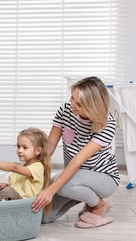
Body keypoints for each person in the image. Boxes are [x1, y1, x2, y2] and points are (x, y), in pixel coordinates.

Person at [31, 76, 120, 228]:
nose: (72, 105)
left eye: (79, 104)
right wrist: (30, 171)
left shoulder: (107, 124)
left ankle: (99, 205)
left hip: (104, 177)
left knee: (60, 184)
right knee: (43, 217)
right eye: (72, 98)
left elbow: (78, 160)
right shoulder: (65, 110)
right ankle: (80, 195)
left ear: (93, 106)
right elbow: (50, 146)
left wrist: (51, 190)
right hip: (74, 176)